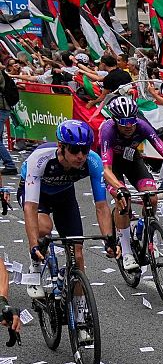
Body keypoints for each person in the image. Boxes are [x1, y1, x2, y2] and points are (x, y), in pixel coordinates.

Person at [20, 121, 120, 347]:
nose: (81, 156)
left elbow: (102, 206)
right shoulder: (41, 159)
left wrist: (109, 240)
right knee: (44, 228)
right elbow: (30, 207)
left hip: (64, 196)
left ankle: (81, 315)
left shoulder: (92, 161)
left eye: (85, 149)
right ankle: (36, 267)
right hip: (36, 195)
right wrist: (34, 244)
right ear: (61, 147)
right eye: (75, 150)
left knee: (78, 252)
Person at [97, 95, 163, 272]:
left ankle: (148, 234)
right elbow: (106, 168)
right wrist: (120, 189)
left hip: (132, 160)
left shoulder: (142, 126)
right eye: (123, 121)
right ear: (114, 120)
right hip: (112, 165)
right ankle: (127, 252)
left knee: (152, 197)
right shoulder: (108, 130)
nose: (128, 126)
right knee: (123, 200)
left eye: (131, 120)